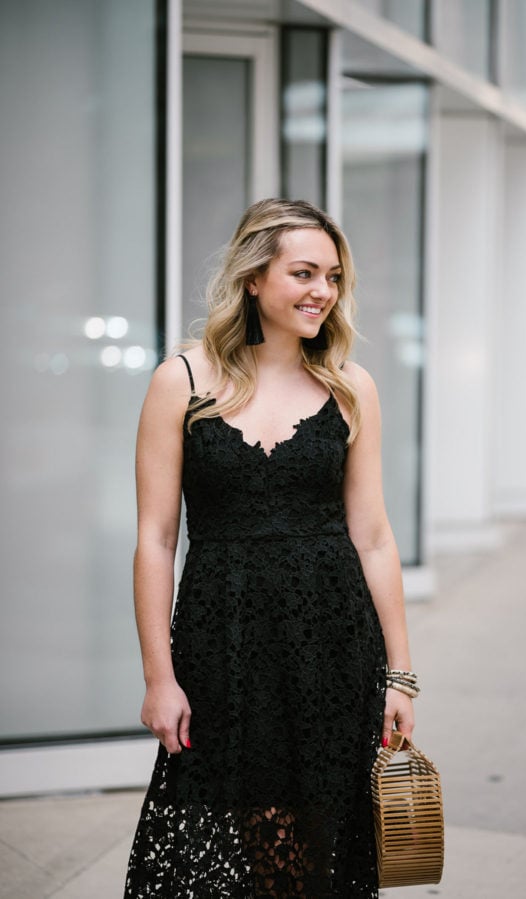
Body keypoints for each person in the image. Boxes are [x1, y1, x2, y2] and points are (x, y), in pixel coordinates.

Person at [124, 198, 416, 898]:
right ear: (254, 277)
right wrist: (159, 677)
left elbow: (373, 537)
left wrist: (401, 675)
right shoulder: (182, 382)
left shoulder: (350, 388)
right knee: (251, 837)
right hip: (223, 643)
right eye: (305, 272)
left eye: (333, 276)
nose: (323, 290)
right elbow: (156, 538)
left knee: (318, 842)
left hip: (332, 643)